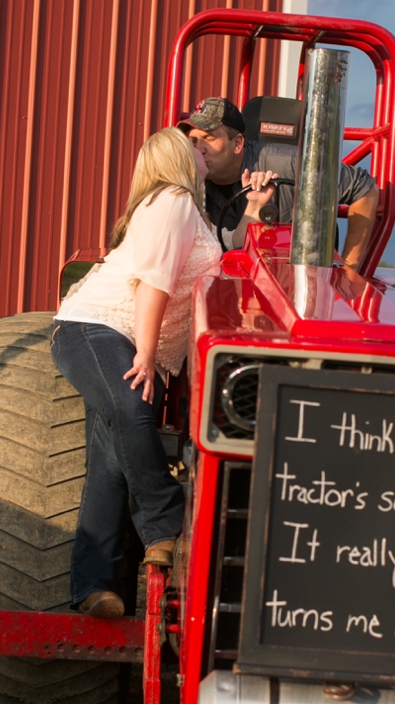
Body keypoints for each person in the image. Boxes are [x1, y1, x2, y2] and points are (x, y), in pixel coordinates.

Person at [51, 127, 274, 618]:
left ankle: (93, 587)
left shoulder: (187, 212)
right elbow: (154, 285)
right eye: (194, 147)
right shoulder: (171, 199)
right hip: (95, 329)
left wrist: (254, 210)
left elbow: (223, 266)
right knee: (134, 410)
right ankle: (165, 524)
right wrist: (147, 355)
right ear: (177, 158)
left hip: (117, 337)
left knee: (110, 464)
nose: (203, 152)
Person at [179, 96, 380, 267]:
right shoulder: (188, 180)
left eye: (209, 138)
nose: (199, 148)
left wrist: (350, 270)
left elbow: (363, 188)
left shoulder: (288, 163)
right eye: (194, 141)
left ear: (238, 143)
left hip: (300, 277)